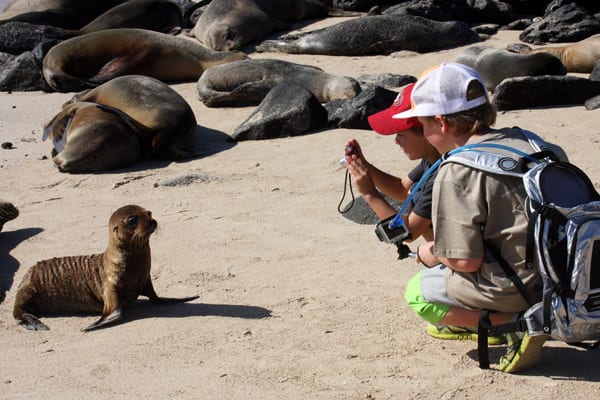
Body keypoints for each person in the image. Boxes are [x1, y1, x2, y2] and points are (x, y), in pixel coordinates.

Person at [394, 63, 568, 373]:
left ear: (441, 123)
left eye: (423, 126)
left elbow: (465, 262)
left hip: (517, 286)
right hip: (564, 277)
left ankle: (516, 322)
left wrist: (427, 254)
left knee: (420, 292)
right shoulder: (534, 143)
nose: (426, 134)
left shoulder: (458, 169)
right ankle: (547, 310)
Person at [343, 83, 440, 242]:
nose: (396, 141)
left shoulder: (442, 175)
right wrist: (365, 166)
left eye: (401, 135)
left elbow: (407, 233)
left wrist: (370, 194)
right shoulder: (433, 159)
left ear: (427, 131)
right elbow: (401, 189)